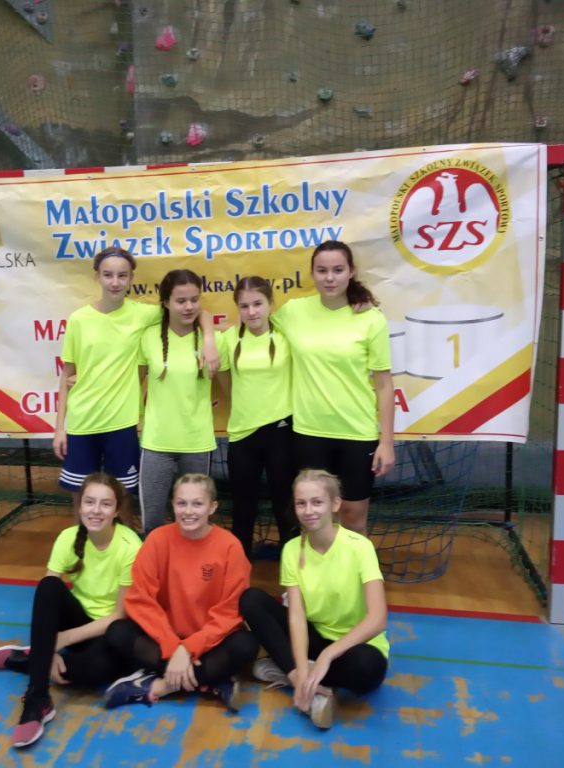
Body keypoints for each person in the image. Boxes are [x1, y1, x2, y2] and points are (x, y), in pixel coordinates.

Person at [53, 248, 219, 520]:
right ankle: (85, 545)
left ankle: (126, 546)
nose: (115, 282)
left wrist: (209, 340)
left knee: (123, 499)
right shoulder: (78, 319)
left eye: (122, 275)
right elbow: (66, 376)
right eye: (108, 275)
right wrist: (60, 427)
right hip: (82, 421)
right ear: (97, 277)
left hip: (122, 422)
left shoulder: (144, 315)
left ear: (131, 279)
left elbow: (196, 310)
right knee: (82, 498)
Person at [0, 472, 142, 748]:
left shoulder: (130, 546)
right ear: (79, 505)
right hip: (78, 620)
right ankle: (37, 700)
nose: (96, 510)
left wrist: (60, 641)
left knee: (85, 674)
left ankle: (29, 659)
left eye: (105, 504)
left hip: (109, 631)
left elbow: (120, 615)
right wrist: (53, 646)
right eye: (89, 502)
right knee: (48, 585)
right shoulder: (67, 538)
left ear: (117, 510)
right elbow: (48, 602)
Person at [239, 469, 389, 729]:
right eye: (301, 503)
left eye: (317, 502)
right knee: (251, 599)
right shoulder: (291, 550)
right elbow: (296, 617)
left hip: (352, 646)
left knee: (369, 669)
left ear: (335, 504)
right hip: (314, 638)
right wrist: (300, 668)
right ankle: (300, 679)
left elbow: (378, 619)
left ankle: (300, 674)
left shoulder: (359, 547)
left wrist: (327, 656)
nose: (308, 511)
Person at [102, 473, 259, 711]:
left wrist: (188, 649)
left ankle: (159, 686)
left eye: (197, 504)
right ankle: (212, 681)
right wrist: (174, 647)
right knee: (117, 632)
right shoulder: (157, 539)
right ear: (173, 504)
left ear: (212, 507)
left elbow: (229, 612)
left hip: (210, 642)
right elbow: (140, 600)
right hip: (166, 640)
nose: (188, 511)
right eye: (181, 503)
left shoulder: (230, 546)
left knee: (246, 645)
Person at [273, 240, 395, 534]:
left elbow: (384, 385)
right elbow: (251, 321)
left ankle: (354, 566)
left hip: (356, 433)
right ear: (312, 273)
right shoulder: (293, 312)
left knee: (353, 517)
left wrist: (387, 442)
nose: (330, 278)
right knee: (312, 517)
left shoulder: (370, 319)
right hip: (309, 433)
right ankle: (312, 567)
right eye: (322, 270)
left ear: (351, 272)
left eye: (338, 270)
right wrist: (210, 337)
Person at [215, 275, 297, 557]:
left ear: (271, 303)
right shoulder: (227, 340)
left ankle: (292, 571)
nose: (251, 312)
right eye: (244, 306)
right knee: (243, 508)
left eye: (258, 304)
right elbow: (226, 383)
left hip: (281, 431)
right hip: (242, 434)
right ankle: (239, 571)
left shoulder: (286, 334)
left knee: (286, 505)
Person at [137, 269, 219, 534]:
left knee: (194, 521)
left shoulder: (213, 339)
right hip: (156, 443)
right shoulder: (148, 337)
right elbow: (131, 382)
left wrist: (209, 338)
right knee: (152, 523)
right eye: (181, 301)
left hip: (197, 443)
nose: (189, 307)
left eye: (194, 299)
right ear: (165, 302)